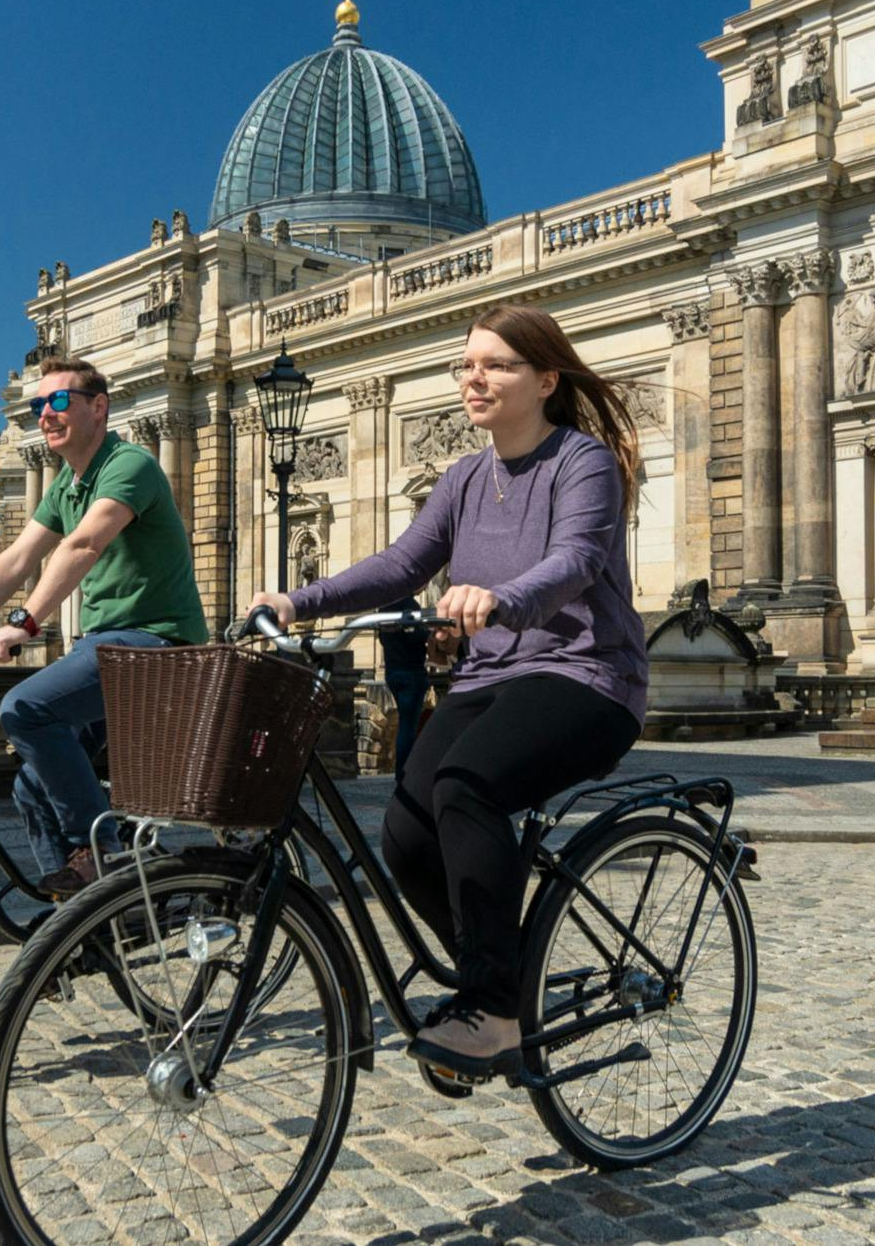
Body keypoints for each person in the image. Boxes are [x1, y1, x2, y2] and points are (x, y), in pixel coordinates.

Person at [248, 303, 647, 1080]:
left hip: (587, 675)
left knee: (468, 786)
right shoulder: (466, 477)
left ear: (545, 379)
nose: (475, 378)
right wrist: (300, 599)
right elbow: (401, 564)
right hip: (491, 674)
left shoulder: (582, 462)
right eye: (467, 364)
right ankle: (492, 967)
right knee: (404, 825)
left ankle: (493, 1009)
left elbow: (576, 558)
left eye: (495, 364)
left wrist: (502, 598)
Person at [0, 357, 208, 897]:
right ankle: (81, 927)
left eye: (57, 402)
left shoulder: (129, 465)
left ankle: (100, 855)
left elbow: (84, 545)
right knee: (31, 786)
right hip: (109, 648)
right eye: (37, 405)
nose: (45, 414)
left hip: (158, 644)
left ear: (98, 408)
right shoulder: (66, 487)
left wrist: (23, 625)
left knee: (24, 709)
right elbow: (14, 560)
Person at [376, 597, 430, 777]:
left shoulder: (385, 606)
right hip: (411, 671)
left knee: (405, 724)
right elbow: (416, 637)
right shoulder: (409, 606)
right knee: (408, 726)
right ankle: (404, 774)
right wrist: (426, 631)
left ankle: (404, 772)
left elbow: (383, 638)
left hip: (392, 672)